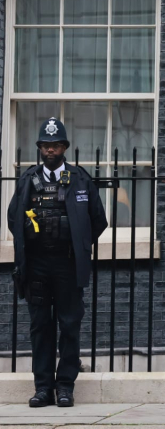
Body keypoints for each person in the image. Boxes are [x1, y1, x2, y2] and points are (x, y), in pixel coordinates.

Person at [8, 118, 107, 407]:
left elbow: (98, 220)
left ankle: (65, 386)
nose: (50, 150)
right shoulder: (28, 179)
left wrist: (77, 243)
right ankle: (43, 388)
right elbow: (15, 218)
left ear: (64, 147)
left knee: (69, 324)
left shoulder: (80, 179)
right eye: (45, 145)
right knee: (40, 326)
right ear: (40, 148)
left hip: (67, 264)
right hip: (37, 264)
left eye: (55, 145)